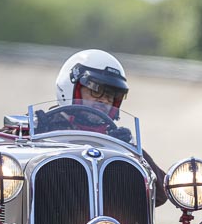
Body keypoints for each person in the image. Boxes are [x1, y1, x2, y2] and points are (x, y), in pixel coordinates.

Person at [46, 49, 168, 207]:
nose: (104, 100)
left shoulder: (117, 141)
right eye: (95, 90)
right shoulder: (37, 127)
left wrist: (130, 151)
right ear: (72, 87)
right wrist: (30, 135)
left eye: (111, 95)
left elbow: (160, 194)